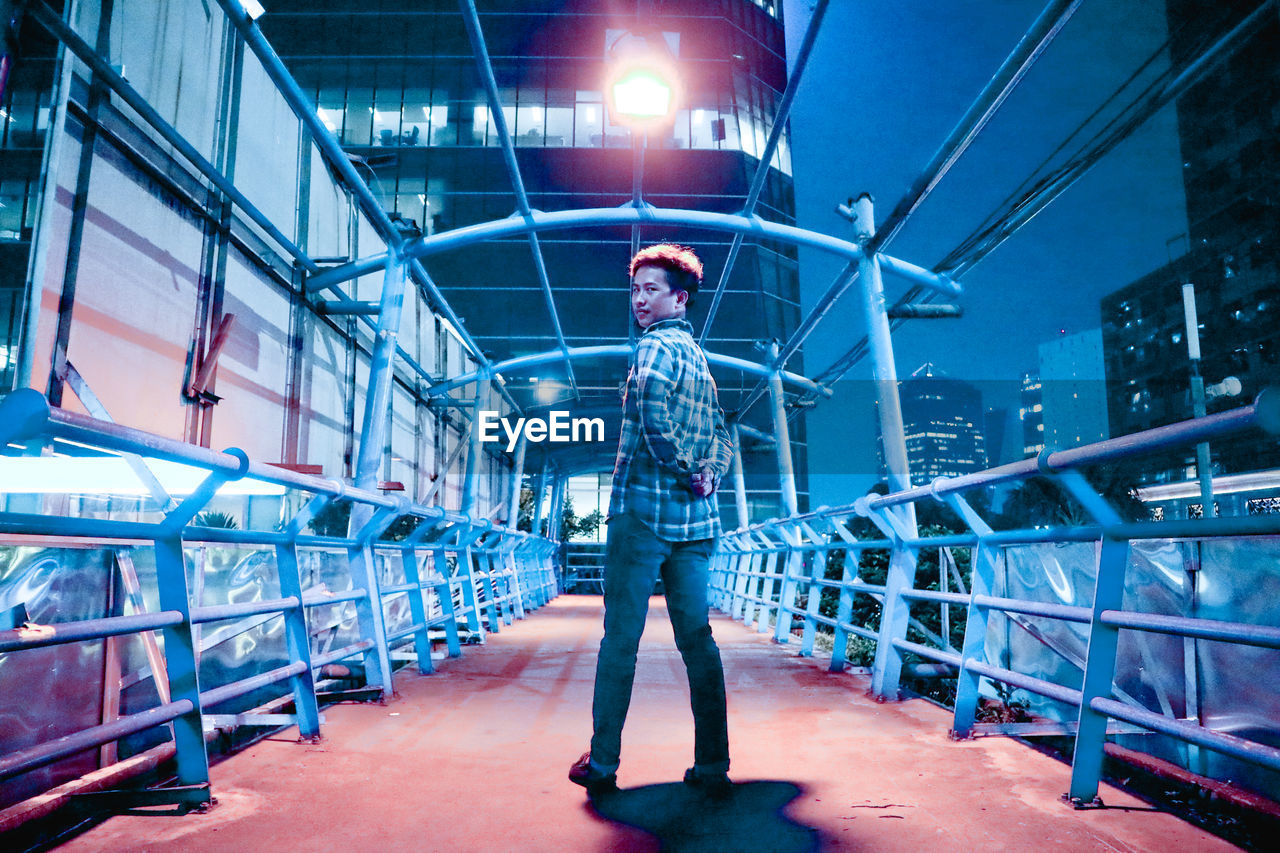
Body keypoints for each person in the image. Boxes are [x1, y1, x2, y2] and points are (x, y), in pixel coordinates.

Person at [569, 243, 735, 799]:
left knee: (621, 640)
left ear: (679, 298)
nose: (639, 299)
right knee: (698, 641)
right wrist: (709, 475)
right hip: (696, 523)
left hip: (642, 516)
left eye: (651, 290)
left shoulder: (654, 350)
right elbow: (724, 434)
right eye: (635, 289)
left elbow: (647, 408)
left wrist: (685, 467)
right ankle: (712, 764)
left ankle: (603, 763)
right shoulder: (702, 363)